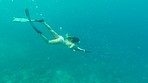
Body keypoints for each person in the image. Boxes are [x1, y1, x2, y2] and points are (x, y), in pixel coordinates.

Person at [13, 9, 90, 53]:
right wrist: (75, 49)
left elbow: (78, 48)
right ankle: (40, 34)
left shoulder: (70, 38)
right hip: (61, 41)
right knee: (48, 42)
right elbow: (73, 48)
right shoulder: (73, 45)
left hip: (61, 38)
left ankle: (43, 22)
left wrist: (83, 50)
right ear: (76, 42)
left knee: (51, 30)